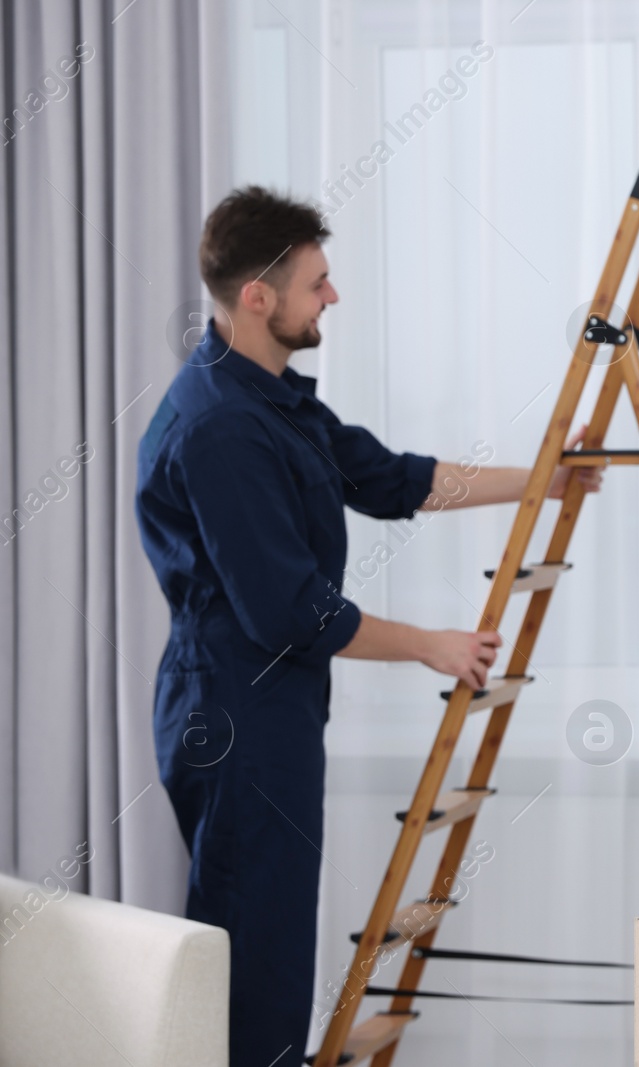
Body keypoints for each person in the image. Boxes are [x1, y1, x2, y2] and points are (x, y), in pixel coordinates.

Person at [135, 186, 598, 1064]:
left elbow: (391, 479)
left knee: (270, 938)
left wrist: (545, 476)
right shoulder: (222, 426)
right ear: (258, 298)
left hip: (272, 703)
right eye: (318, 283)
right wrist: (434, 645)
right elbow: (289, 609)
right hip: (234, 710)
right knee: (253, 946)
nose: (333, 298)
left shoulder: (271, 397)